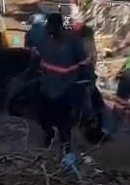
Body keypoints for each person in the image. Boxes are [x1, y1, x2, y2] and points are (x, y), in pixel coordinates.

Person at [32, 12, 91, 149]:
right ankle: (49, 134)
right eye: (47, 25)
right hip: (46, 85)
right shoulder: (45, 39)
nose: (48, 28)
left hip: (65, 87)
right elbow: (37, 54)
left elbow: (83, 62)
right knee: (42, 116)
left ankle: (66, 147)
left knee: (64, 121)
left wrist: (85, 79)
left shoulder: (72, 41)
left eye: (51, 25)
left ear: (59, 26)